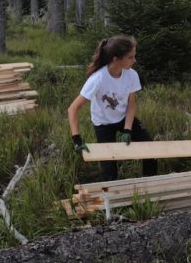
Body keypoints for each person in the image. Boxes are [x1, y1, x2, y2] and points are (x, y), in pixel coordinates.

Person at [67, 35, 158, 181]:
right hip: (103, 124)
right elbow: (72, 109)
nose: (134, 60)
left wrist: (128, 129)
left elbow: (131, 104)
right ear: (116, 59)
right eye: (130, 57)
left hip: (123, 118)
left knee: (151, 151)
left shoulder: (131, 75)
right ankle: (112, 197)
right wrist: (77, 139)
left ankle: (149, 186)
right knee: (109, 171)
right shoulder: (98, 79)